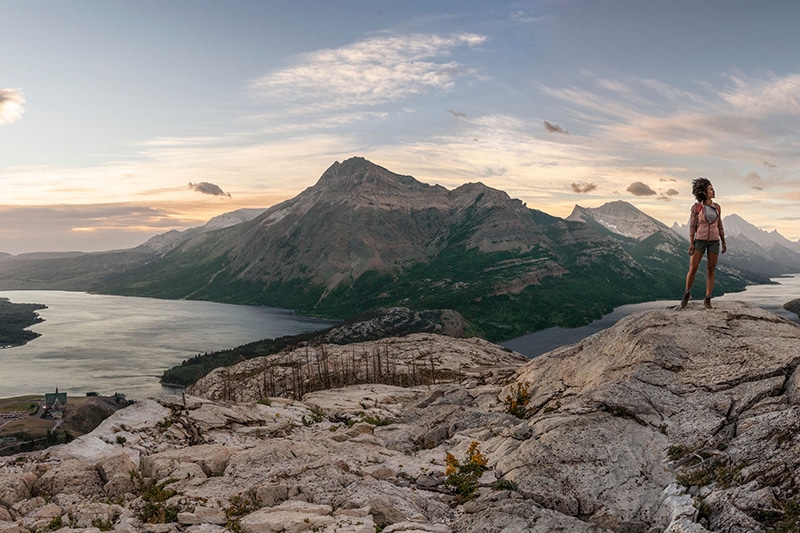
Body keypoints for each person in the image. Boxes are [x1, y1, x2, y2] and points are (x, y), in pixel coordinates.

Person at [681, 177, 727, 309]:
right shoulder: (696, 208)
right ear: (704, 192)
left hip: (714, 242)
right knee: (693, 268)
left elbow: (720, 225)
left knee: (711, 270)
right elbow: (692, 226)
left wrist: (723, 241)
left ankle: (707, 298)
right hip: (699, 241)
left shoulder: (717, 207)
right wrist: (691, 242)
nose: (713, 191)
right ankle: (687, 293)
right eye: (710, 189)